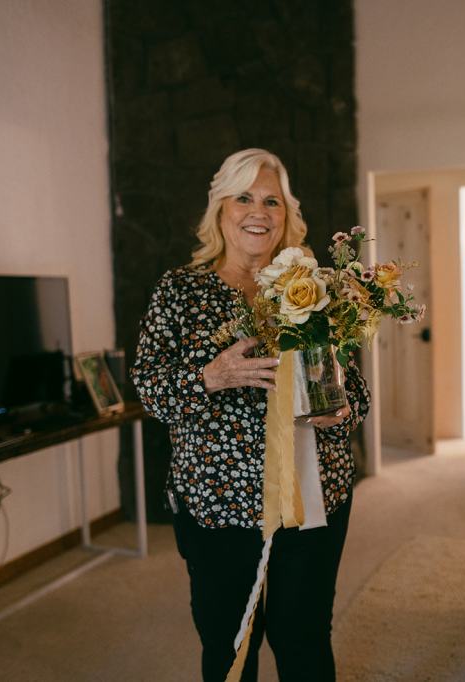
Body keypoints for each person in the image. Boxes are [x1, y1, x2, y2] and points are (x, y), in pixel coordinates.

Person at [132, 148, 369, 682]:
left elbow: (354, 389)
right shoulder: (179, 291)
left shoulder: (315, 290)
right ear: (221, 209)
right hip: (219, 505)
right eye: (243, 198)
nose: (258, 211)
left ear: (287, 214)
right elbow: (148, 389)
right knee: (229, 644)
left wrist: (341, 410)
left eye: (271, 200)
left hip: (313, 499)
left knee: (305, 638)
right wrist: (209, 377)